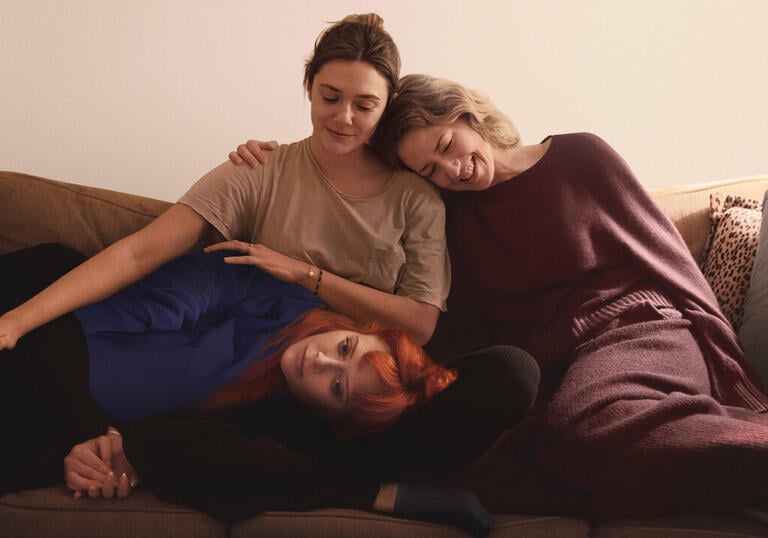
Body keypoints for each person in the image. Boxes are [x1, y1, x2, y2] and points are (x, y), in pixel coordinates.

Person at [230, 73, 768, 520]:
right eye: (428, 171)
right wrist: (279, 160)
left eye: (445, 147)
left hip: (640, 329)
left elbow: (660, 253)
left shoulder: (579, 155)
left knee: (584, 429)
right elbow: (378, 245)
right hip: (557, 370)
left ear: (467, 115)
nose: (450, 170)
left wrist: (719, 348)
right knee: (528, 458)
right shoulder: (447, 218)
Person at [0, 13, 449, 358]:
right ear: (309, 87)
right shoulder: (262, 168)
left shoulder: (416, 197)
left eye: (364, 105)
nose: (343, 117)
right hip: (250, 350)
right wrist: (16, 323)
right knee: (46, 273)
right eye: (329, 97)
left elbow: (420, 325)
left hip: (348, 372)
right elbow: (142, 251)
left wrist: (305, 274)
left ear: (387, 105)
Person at [0, 242, 456, 502]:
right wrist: (89, 429)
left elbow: (174, 445)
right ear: (354, 329)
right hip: (41, 324)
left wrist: (118, 457)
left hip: (52, 423)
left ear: (333, 414)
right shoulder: (278, 294)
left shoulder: (277, 421)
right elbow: (155, 301)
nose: (320, 361)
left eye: (337, 386)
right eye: (344, 348)